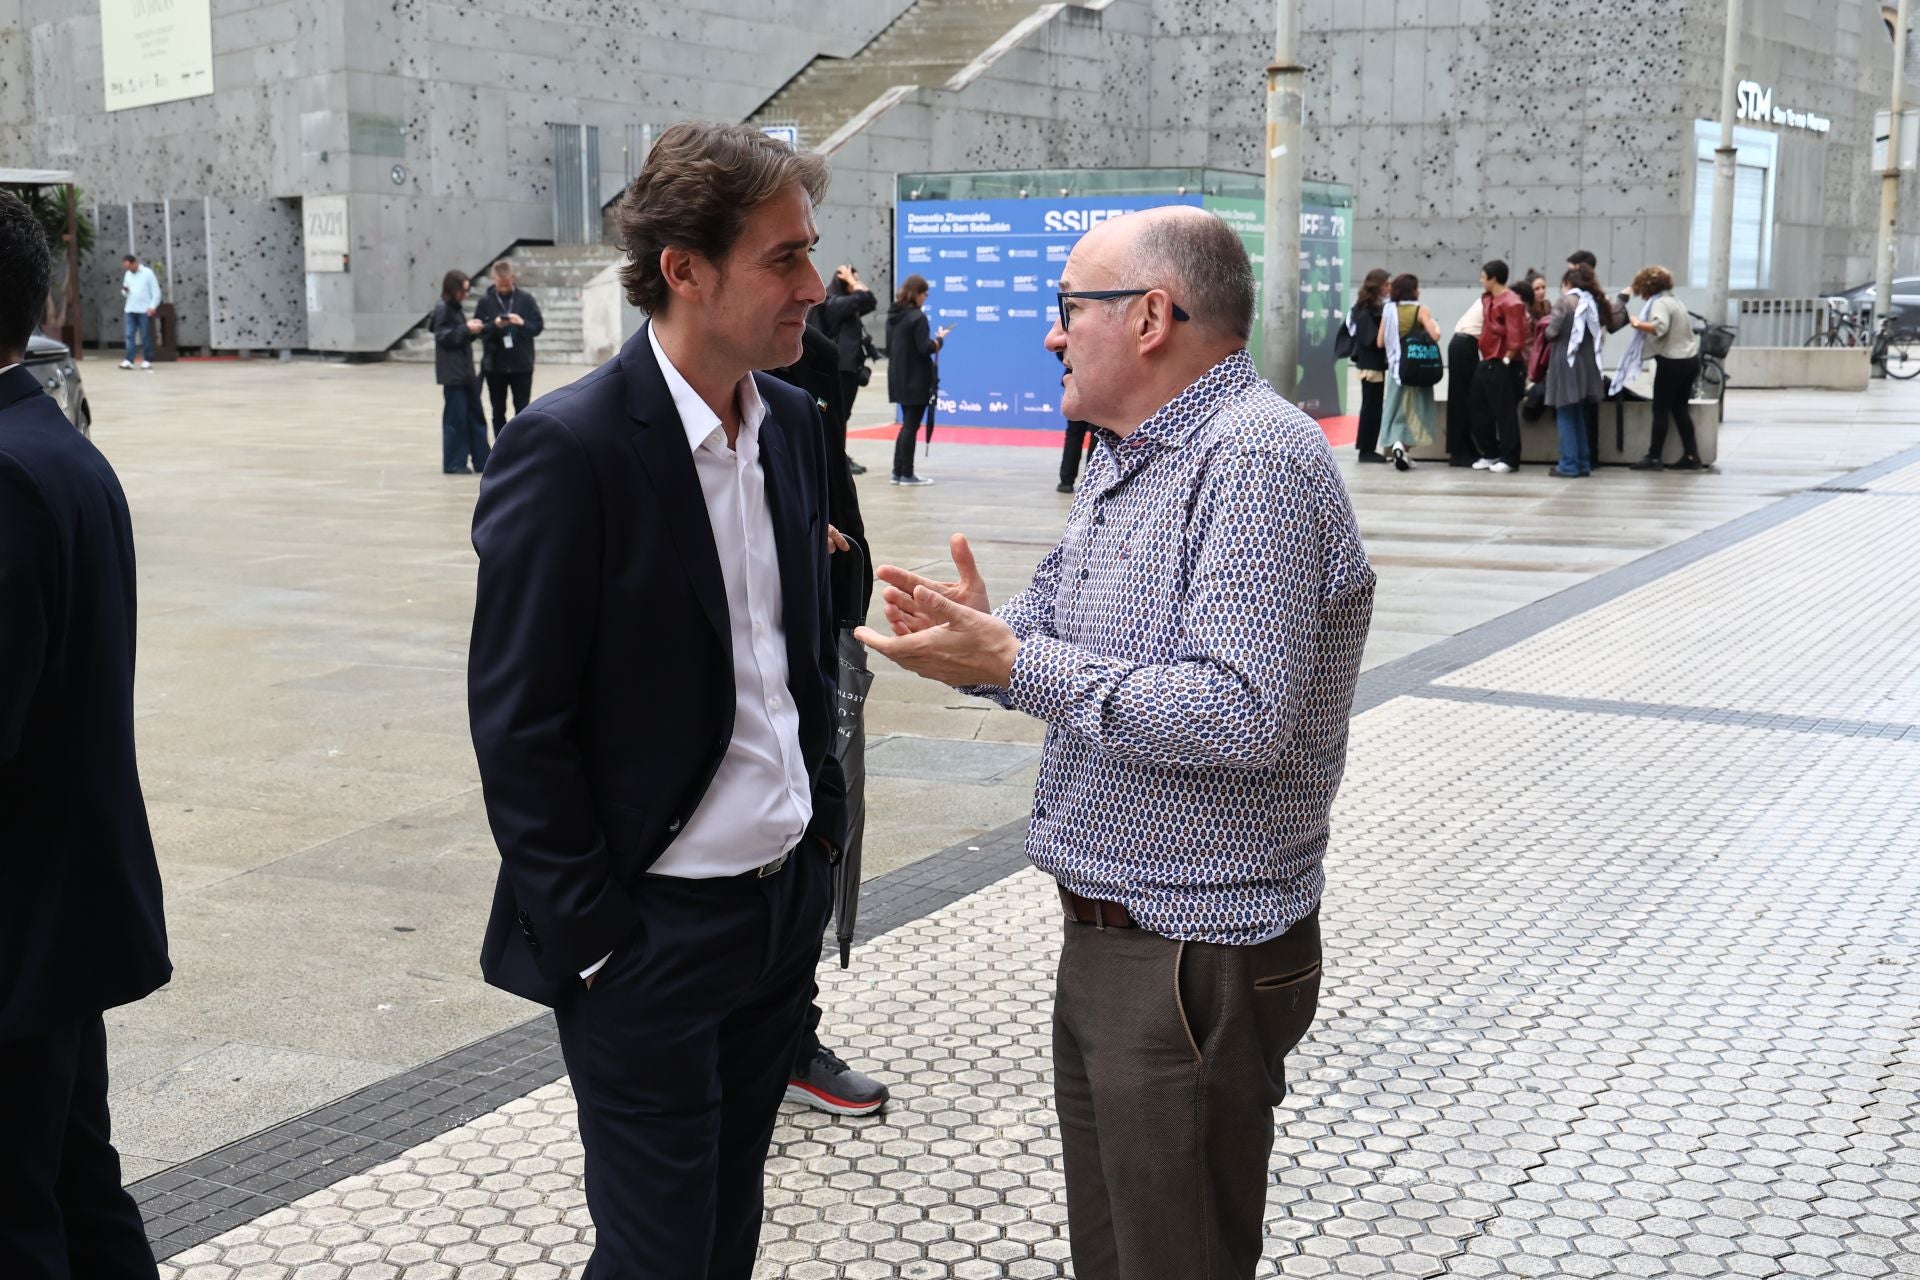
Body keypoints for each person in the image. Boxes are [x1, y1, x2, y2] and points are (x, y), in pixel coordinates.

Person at [856, 205, 1375, 1280]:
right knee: (1123, 1254)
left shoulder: (1255, 461)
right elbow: (1046, 640)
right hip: (1118, 936)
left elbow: (1237, 712)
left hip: (1191, 949)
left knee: (1172, 1258)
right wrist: (979, 644)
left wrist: (1012, 663)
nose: (1053, 334)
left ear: (1150, 316)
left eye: (1067, 308)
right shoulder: (1131, 454)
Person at [467, 121, 846, 1280]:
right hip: (653, 940)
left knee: (726, 1232)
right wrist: (596, 942)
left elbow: (792, 657)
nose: (814, 287)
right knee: (657, 1256)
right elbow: (518, 726)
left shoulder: (790, 425)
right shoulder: (569, 449)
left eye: (808, 253)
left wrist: (820, 837)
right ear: (684, 267)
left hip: (778, 919)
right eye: (783, 259)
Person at [0, 192, 171, 1280]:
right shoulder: (50, 447)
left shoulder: (10, 470)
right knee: (74, 1185)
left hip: (17, 925)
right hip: (52, 917)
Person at [766, 322, 892, 1120]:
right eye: (784, 259)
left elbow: (840, 526)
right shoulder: (593, 435)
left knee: (815, 861)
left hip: (812, 678)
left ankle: (788, 1040)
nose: (809, 287)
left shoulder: (789, 404)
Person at [1617, 266, 1704, 471]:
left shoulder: (1660, 304)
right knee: (1680, 409)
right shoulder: (1675, 301)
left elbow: (1659, 327)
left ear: (1647, 288)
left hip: (1672, 362)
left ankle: (1654, 457)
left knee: (1661, 409)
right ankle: (1692, 455)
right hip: (1690, 360)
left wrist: (1637, 323)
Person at [808, 264, 878, 475]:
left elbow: (871, 301)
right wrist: (851, 279)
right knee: (834, 415)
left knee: (841, 415)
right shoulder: (834, 302)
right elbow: (864, 298)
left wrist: (853, 280)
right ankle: (835, 458)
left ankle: (838, 456)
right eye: (853, 280)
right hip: (838, 370)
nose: (857, 283)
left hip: (847, 370)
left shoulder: (844, 305)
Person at [1542, 266, 1612, 477]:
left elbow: (1551, 331)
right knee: (1578, 414)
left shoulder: (1565, 302)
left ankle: (1569, 463)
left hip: (1566, 359)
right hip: (1586, 362)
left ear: (1568, 284)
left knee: (1564, 412)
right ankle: (1582, 461)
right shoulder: (1593, 303)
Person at [885, 274, 949, 486]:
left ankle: (898, 471)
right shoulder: (918, 317)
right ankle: (907, 473)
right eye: (925, 294)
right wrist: (939, 340)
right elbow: (924, 348)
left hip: (898, 377)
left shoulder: (894, 315)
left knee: (906, 426)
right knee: (911, 427)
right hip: (916, 380)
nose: (926, 298)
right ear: (918, 294)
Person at [1468, 260, 1531, 473]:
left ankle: (1510, 457)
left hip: (1504, 362)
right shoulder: (1488, 299)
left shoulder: (1512, 303)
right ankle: (1490, 452)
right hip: (1487, 359)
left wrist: (1506, 359)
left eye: (1484, 276)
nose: (1481, 280)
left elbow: (1517, 336)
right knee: (1477, 407)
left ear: (1493, 278)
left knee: (1505, 412)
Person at [473, 259, 544, 443]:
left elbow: (537, 327)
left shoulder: (525, 299)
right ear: (493, 279)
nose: (504, 287)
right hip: (495, 365)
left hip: (521, 364)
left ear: (513, 278)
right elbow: (479, 331)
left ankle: (523, 446)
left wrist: (522, 323)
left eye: (507, 283)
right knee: (498, 410)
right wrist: (494, 325)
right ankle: (501, 447)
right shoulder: (485, 302)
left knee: (522, 409)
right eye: (500, 283)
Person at [1377, 272, 1441, 471]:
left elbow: (1380, 342)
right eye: (1417, 287)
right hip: (1415, 369)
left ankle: (1398, 446)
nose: (1419, 290)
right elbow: (1435, 335)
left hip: (1396, 369)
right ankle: (1403, 447)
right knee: (1416, 412)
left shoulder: (1388, 310)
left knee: (1397, 410)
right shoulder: (1421, 310)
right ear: (1412, 291)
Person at [1567, 250, 1625, 462]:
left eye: (1571, 270)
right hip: (1595, 363)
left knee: (1580, 412)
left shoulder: (1579, 300)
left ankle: (1584, 457)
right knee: (1588, 411)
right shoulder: (1598, 298)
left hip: (1581, 361)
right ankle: (1590, 456)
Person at [432, 270, 489, 474]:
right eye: (463, 290)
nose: (465, 294)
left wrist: (470, 331)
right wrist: (467, 329)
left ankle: (482, 460)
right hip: (454, 375)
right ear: (453, 289)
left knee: (475, 417)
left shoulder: (453, 308)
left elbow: (455, 336)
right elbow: (443, 336)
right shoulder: (443, 309)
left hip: (464, 372)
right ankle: (454, 462)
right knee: (456, 420)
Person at [1347, 268, 1390, 464]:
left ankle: (1368, 448)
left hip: (1373, 364)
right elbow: (1370, 340)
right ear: (1378, 286)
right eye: (1386, 285)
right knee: (1371, 408)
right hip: (1370, 365)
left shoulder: (1369, 308)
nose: (1389, 288)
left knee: (1373, 407)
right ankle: (1366, 449)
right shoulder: (1366, 311)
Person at [1444, 293, 1482, 465]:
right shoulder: (1496, 300)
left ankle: (1463, 448)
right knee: (1462, 400)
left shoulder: (1488, 299)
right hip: (1465, 344)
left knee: (1464, 399)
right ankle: (1460, 451)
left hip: (1462, 344)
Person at [119, 252, 160, 370]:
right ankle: (129, 360)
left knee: (145, 335)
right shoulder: (128, 274)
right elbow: (125, 292)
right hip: (130, 308)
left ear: (135, 263)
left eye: (129, 266)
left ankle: (147, 359)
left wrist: (153, 306)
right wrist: (125, 291)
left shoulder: (147, 273)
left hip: (144, 309)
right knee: (129, 335)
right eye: (126, 267)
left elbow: (156, 291)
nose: (128, 269)